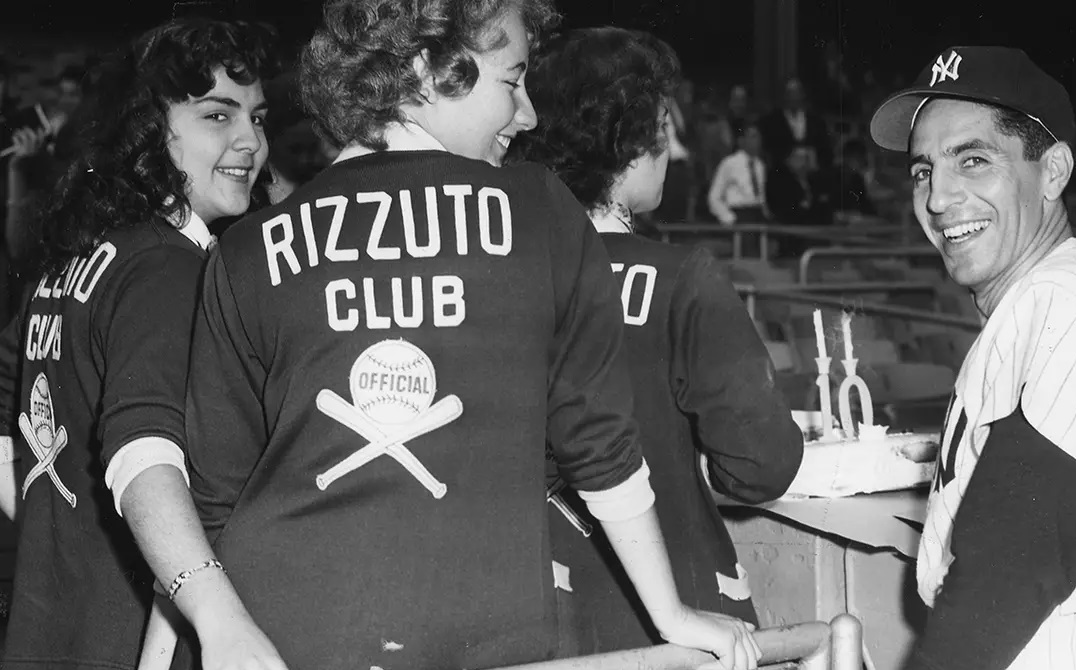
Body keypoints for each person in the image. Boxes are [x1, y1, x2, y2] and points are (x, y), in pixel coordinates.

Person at [180, 2, 761, 669]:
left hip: (282, 633)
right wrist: (672, 614)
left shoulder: (247, 247)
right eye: (511, 83)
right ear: (428, 70)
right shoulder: (542, 210)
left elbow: (217, 493)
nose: (529, 115)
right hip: (485, 632)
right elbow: (600, 445)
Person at [869, 45, 1076, 670]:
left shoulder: (1069, 311)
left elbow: (1009, 573)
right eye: (922, 171)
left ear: (1052, 172)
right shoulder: (1060, 300)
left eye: (973, 160)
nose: (938, 198)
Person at [507, 26, 804, 657]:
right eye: (661, 130)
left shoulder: (496, 277)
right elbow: (763, 464)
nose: (669, 149)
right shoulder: (681, 278)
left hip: (527, 617)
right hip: (678, 612)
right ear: (629, 144)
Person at [0, 18, 287, 670]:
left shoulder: (82, 257)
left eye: (259, 117)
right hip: (129, 643)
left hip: (44, 635)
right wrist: (215, 612)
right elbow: (142, 451)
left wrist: (57, 527)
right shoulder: (169, 268)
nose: (251, 141)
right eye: (218, 116)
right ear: (149, 130)